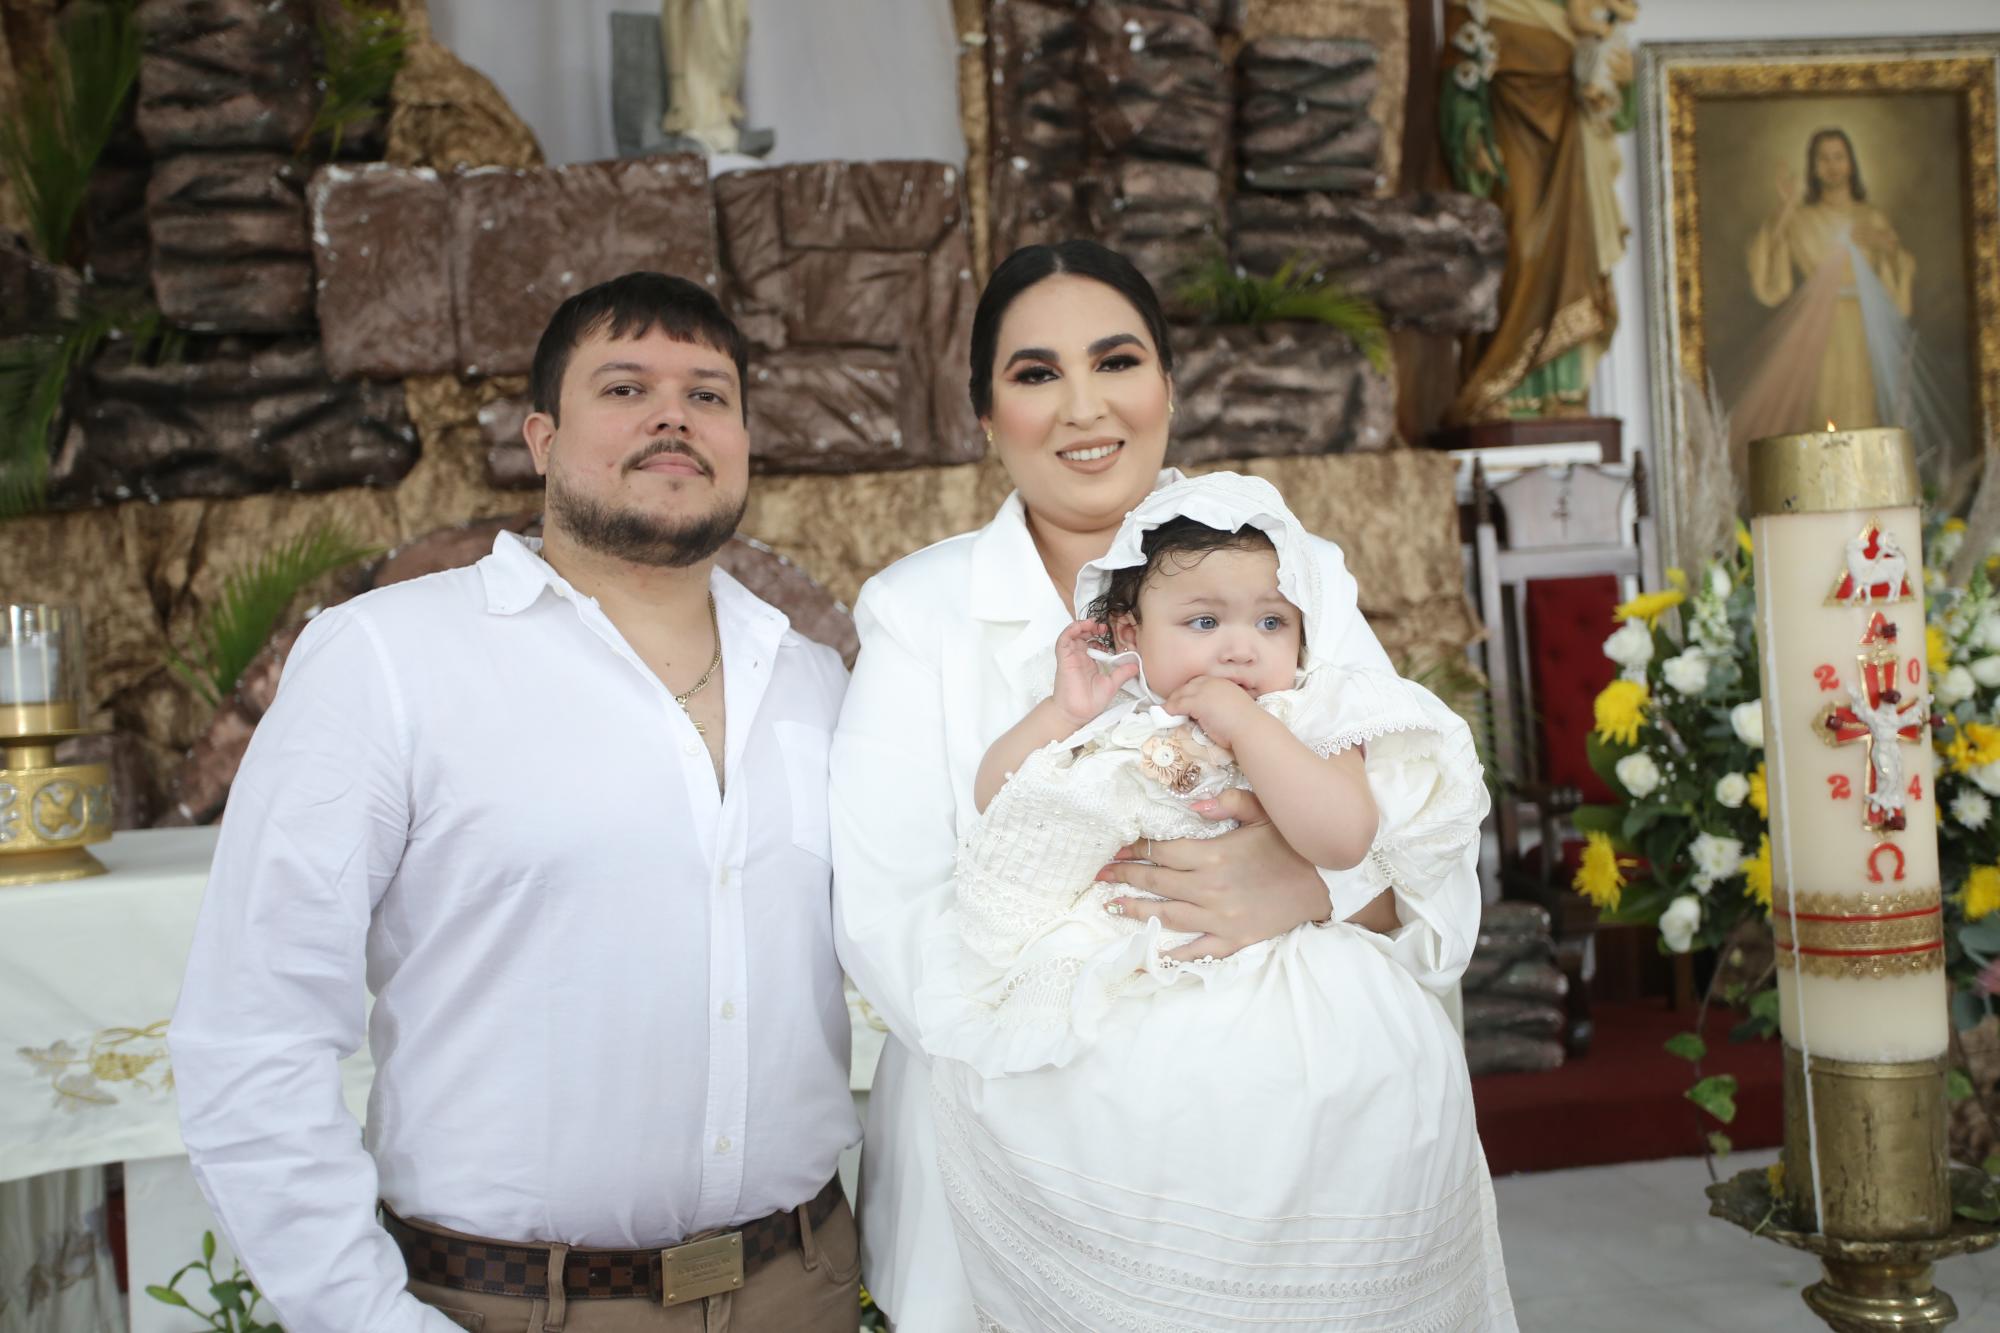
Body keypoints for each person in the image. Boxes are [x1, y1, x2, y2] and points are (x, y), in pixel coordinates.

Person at [831, 240, 1515, 1329]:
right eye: (1036, 373)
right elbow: (891, 919)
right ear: (984, 415)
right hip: (1029, 1149)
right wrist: (1119, 1076)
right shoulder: (919, 612)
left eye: (1116, 361)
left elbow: (1422, 848)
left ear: (1166, 385)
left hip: (1300, 1161)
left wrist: (1305, 888)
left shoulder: (1294, 573)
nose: (1083, 405)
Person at [169, 272, 862, 1333]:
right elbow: (252, 1029)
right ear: (541, 438)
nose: (674, 415)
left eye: (708, 394)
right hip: (510, 1303)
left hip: (798, 1285)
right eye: (624, 388)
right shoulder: (387, 658)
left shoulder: (816, 680)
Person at [914, 471, 1508, 1327]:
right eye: (1203, 623)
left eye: (1271, 622)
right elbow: (997, 800)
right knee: (1110, 1131)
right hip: (1133, 975)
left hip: (1296, 988)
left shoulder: (1313, 714)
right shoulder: (1115, 718)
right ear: (1131, 635)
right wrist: (1060, 712)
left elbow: (1345, 837)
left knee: (1310, 1137)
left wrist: (1248, 728)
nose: (1240, 648)